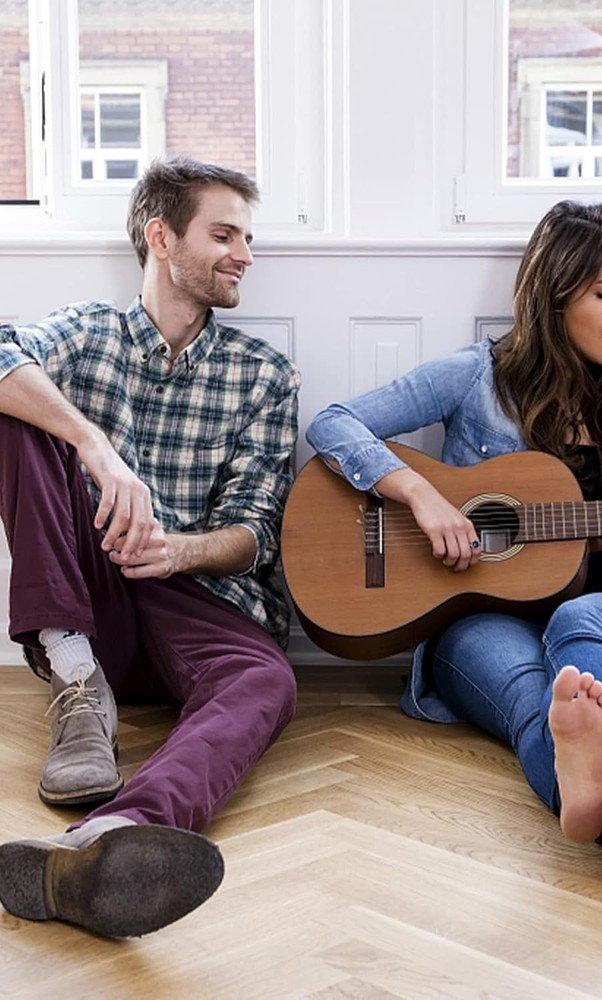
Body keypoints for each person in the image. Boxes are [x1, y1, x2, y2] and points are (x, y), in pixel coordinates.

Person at [305, 200, 602, 873]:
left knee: (576, 620)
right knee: (535, 693)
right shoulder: (475, 377)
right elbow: (334, 423)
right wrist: (419, 494)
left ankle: (598, 790)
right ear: (555, 293)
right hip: (474, 617)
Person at [0, 156, 300, 937]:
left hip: (189, 602)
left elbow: (256, 532)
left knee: (268, 680)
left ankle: (106, 839)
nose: (245, 254)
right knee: (18, 415)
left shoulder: (262, 376)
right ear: (161, 236)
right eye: (225, 233)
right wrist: (96, 449)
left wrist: (180, 551)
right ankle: (75, 683)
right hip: (87, 603)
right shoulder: (87, 333)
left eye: (248, 237)